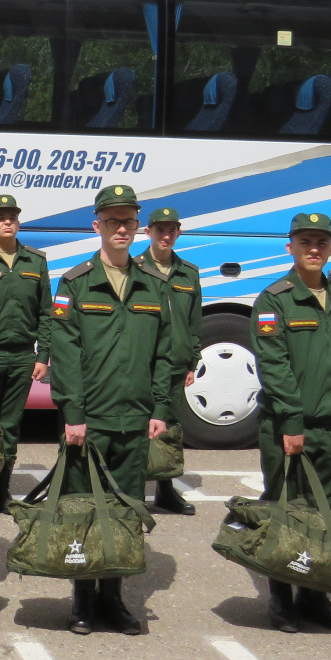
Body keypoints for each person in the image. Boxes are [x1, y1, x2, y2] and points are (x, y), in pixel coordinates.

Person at [47, 184, 172, 636]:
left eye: (128, 221)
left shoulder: (154, 284)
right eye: (113, 221)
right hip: (91, 419)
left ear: (138, 227)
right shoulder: (75, 283)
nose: (121, 228)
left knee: (125, 511)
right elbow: (65, 353)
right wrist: (73, 414)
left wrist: (160, 407)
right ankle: (83, 600)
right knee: (83, 509)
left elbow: (165, 352)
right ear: (96, 226)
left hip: (134, 419)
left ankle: (113, 599)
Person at [250, 212, 331, 634]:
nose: (313, 249)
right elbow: (274, 365)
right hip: (287, 428)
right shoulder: (274, 301)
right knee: (285, 511)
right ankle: (281, 599)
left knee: (326, 515)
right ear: (291, 248)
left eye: (320, 242)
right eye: (305, 242)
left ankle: (316, 598)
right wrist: (292, 421)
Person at [0, 193, 50, 514]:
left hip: (21, 357)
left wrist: (42, 355)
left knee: (10, 425)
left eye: (12, 217)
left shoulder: (35, 261)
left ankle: (1, 489)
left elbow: (46, 312)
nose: (7, 222)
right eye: (0, 217)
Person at [135, 206, 200, 516]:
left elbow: (194, 321)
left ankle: (165, 489)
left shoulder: (189, 272)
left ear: (178, 232)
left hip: (175, 361)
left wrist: (192, 360)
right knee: (137, 423)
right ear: (148, 232)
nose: (166, 235)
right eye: (160, 229)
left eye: (171, 230)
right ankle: (132, 490)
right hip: (142, 361)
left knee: (170, 426)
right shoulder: (134, 268)